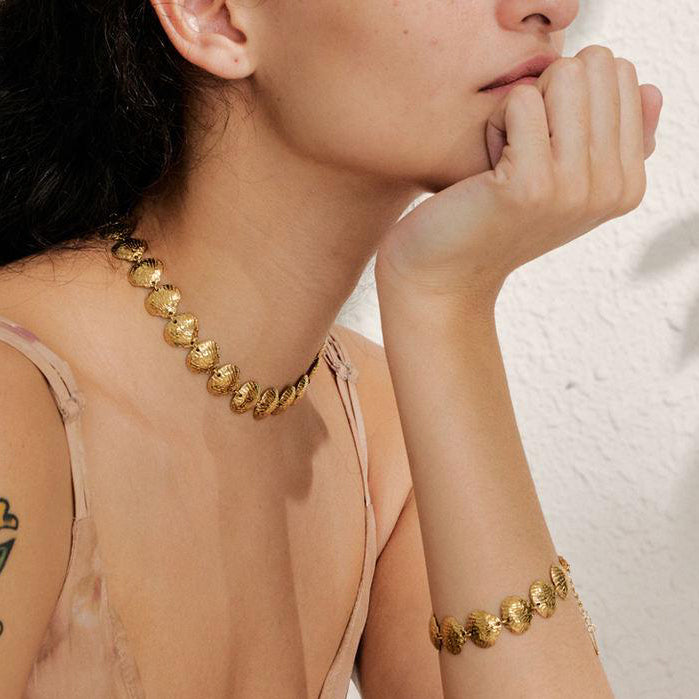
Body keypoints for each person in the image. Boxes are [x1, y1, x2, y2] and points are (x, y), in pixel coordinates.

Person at [0, 0, 662, 697]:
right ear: (215, 15)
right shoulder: (16, 406)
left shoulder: (378, 432)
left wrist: (445, 304)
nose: (552, 6)